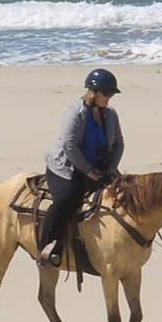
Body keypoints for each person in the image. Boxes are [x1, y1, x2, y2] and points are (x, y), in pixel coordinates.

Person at [39, 68, 125, 268]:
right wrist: (89, 171)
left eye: (111, 94)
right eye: (106, 94)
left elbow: (119, 143)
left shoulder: (110, 114)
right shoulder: (75, 113)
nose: (109, 98)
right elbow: (69, 146)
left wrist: (111, 168)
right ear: (93, 92)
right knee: (66, 199)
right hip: (67, 167)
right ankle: (48, 247)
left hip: (100, 167)